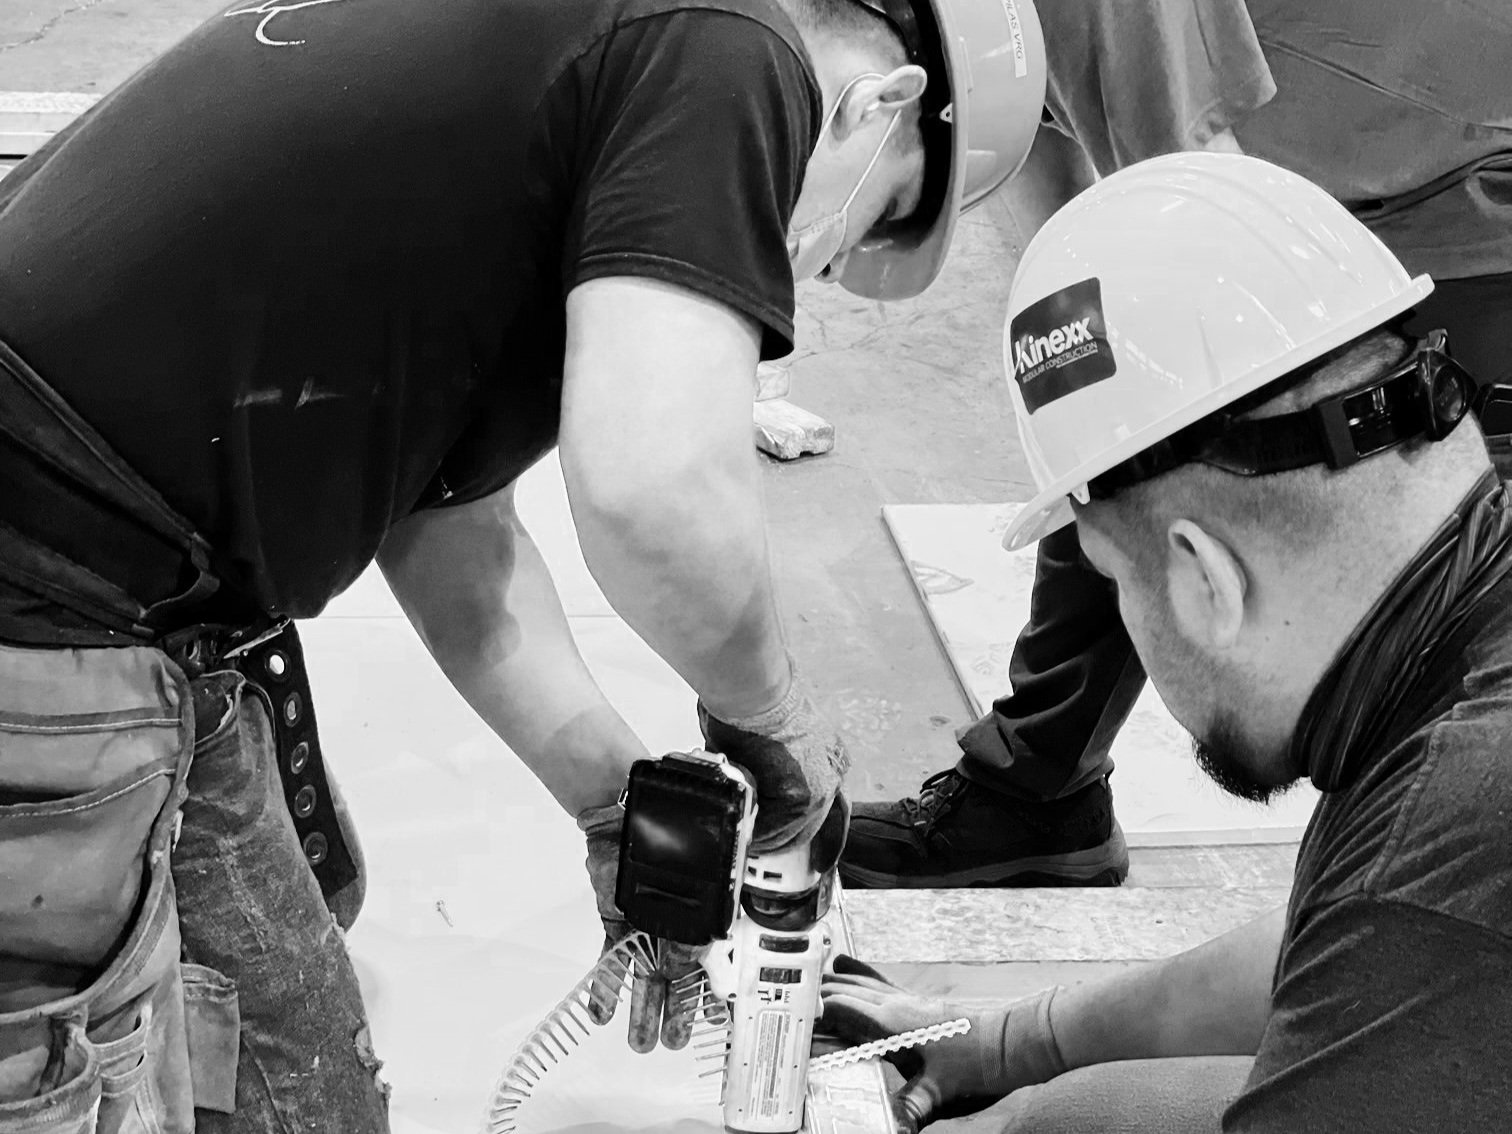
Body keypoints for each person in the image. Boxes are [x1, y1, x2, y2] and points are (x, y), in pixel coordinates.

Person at [0, 0, 1047, 1129]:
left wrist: (611, 804)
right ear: (884, 102)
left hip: (123, 584)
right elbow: (655, 490)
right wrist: (777, 726)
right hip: (49, 585)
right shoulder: (732, 53)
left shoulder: (560, 77)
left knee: (297, 1069)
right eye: (872, 215)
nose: (825, 265)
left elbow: (455, 537)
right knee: (57, 1081)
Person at [821, 152, 1512, 1133]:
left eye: (1109, 581)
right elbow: (1326, 945)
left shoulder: (1445, 843)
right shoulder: (1455, 665)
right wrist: (1007, 1048)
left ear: (1202, 579)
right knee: (1071, 1118)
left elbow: (1390, 917)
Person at [839, 0, 1512, 890]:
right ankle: (1037, 788)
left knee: (1427, 573)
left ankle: (1414, 877)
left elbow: (1194, 259)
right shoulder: (989, 36)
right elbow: (1083, 252)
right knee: (1123, 455)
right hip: (1335, 141)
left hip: (1453, 170)